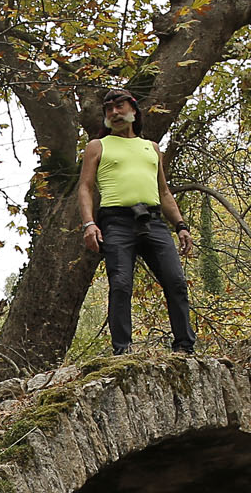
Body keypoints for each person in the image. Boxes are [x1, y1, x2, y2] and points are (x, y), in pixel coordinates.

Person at [75, 87, 196, 357]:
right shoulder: (98, 146)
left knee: (176, 281)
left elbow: (164, 191)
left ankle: (185, 347)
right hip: (116, 222)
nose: (115, 113)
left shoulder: (151, 147)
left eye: (120, 107)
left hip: (153, 220)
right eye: (109, 109)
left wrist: (181, 226)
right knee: (120, 284)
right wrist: (88, 224)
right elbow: (85, 187)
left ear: (133, 109)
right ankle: (123, 350)